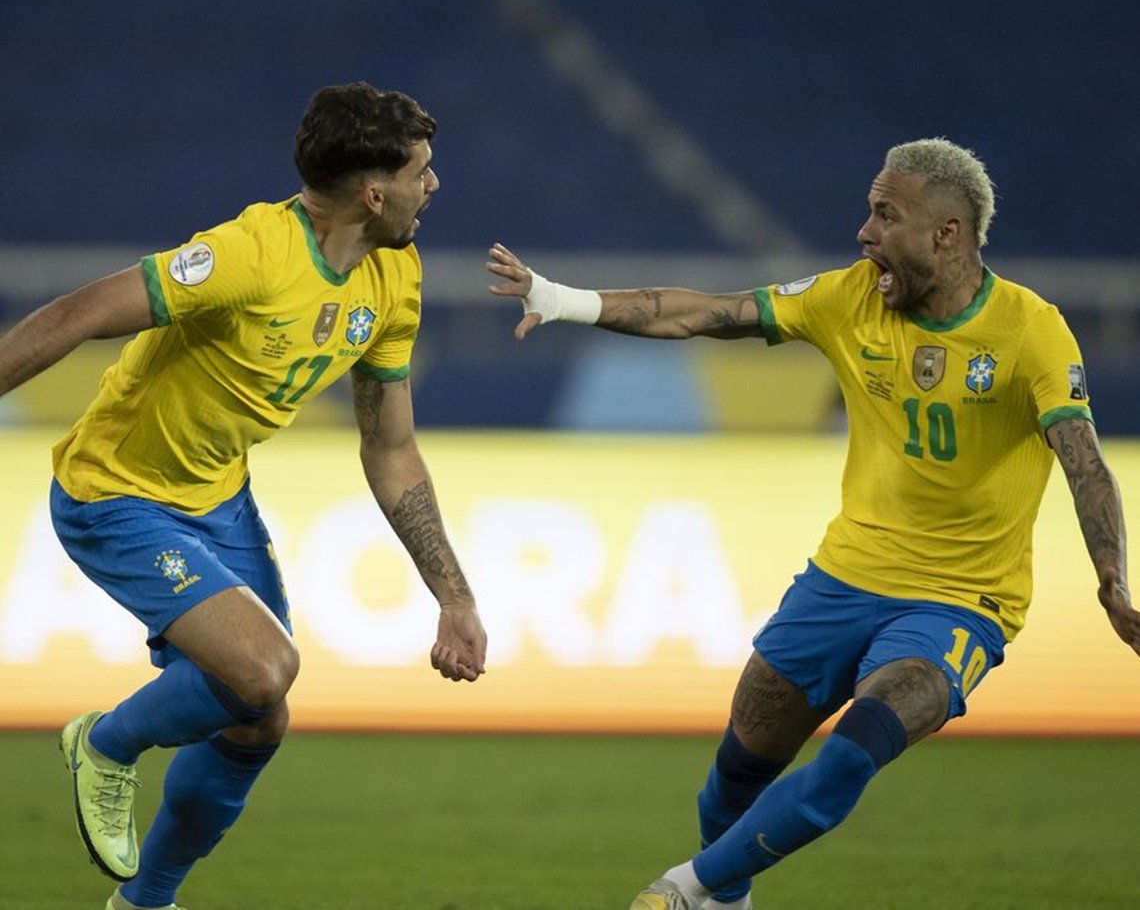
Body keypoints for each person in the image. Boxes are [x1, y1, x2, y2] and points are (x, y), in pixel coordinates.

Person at [487, 137, 1136, 910]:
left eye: (884, 215)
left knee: (856, 747)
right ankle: (726, 896)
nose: (864, 233)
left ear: (947, 234)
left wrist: (1111, 581)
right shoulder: (849, 295)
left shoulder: (1032, 331)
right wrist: (564, 299)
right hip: (842, 580)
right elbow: (708, 314)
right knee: (735, 771)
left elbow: (1084, 461)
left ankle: (682, 892)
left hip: (962, 603)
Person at [0, 81, 487, 910]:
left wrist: (454, 595)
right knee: (264, 670)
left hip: (218, 500)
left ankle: (144, 903)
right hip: (114, 492)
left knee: (257, 718)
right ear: (374, 192)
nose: (433, 185)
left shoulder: (392, 279)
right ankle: (107, 744)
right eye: (421, 171)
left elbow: (390, 447)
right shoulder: (249, 255)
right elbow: (80, 311)